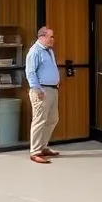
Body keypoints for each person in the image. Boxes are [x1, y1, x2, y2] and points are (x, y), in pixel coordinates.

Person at [25, 26, 60, 164]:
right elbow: (30, 72)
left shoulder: (49, 51)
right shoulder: (35, 52)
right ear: (41, 37)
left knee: (52, 119)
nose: (53, 39)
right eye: (50, 37)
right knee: (39, 120)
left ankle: (43, 146)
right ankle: (35, 151)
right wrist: (37, 89)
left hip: (52, 90)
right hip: (41, 91)